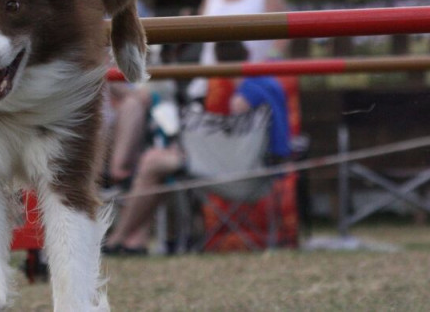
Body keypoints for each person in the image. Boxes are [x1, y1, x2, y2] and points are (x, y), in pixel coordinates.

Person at [106, 0, 286, 186]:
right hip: (211, 84)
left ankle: (125, 172)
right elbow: (196, 33)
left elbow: (282, 37)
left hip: (249, 85)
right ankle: (126, 172)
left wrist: (266, 66)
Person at [102, 41, 290, 255]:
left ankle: (119, 239)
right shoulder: (268, 82)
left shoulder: (246, 92)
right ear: (247, 54)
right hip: (262, 167)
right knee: (157, 167)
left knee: (152, 163)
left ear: (217, 61)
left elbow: (235, 126)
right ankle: (131, 241)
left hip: (240, 170)